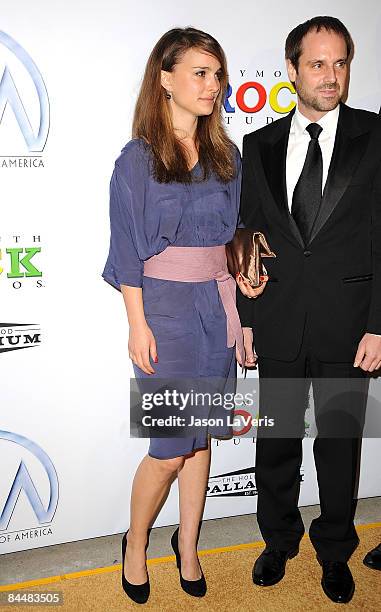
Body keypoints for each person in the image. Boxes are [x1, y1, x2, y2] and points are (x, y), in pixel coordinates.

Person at [102, 27, 265, 605]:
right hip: (164, 313)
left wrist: (240, 313)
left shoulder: (227, 157)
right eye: (200, 73)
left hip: (214, 309)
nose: (213, 85)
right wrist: (136, 322)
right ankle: (135, 543)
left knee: (200, 444)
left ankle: (188, 546)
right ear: (164, 80)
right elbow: (126, 250)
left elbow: (230, 243)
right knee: (170, 447)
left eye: (217, 74)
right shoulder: (138, 159)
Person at [236, 16, 381, 605]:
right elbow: (247, 231)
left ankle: (335, 548)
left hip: (349, 325)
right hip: (275, 321)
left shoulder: (375, 136)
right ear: (292, 69)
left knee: (340, 444)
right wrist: (245, 320)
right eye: (318, 64)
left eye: (340, 62)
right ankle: (278, 539)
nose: (331, 75)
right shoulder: (259, 143)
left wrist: (378, 322)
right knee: (274, 443)